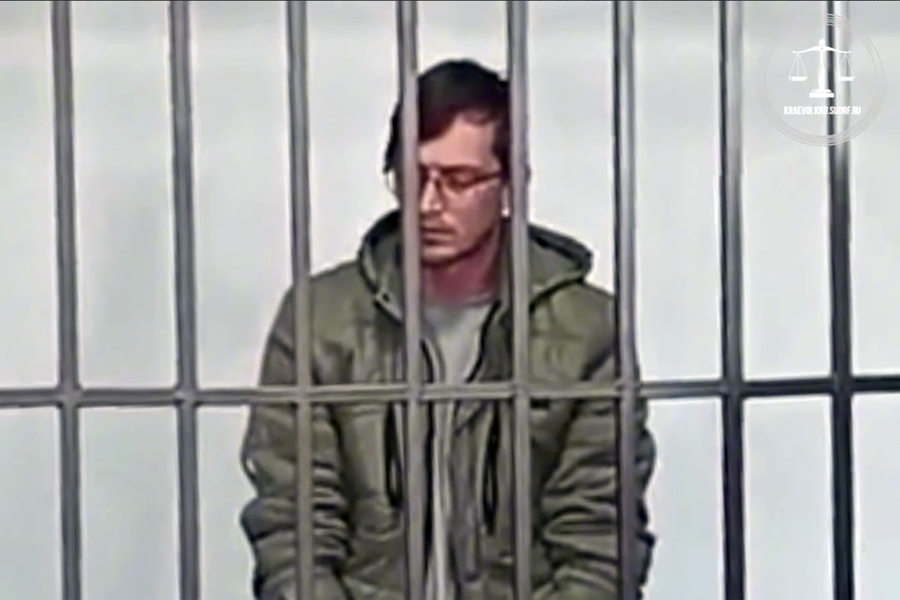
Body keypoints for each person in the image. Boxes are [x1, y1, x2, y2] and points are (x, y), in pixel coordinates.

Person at [239, 58, 656, 600]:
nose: (428, 204)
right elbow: (293, 530)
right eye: (412, 177)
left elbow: (600, 543)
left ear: (511, 184)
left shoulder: (585, 330)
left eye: (459, 181)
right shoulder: (320, 319)